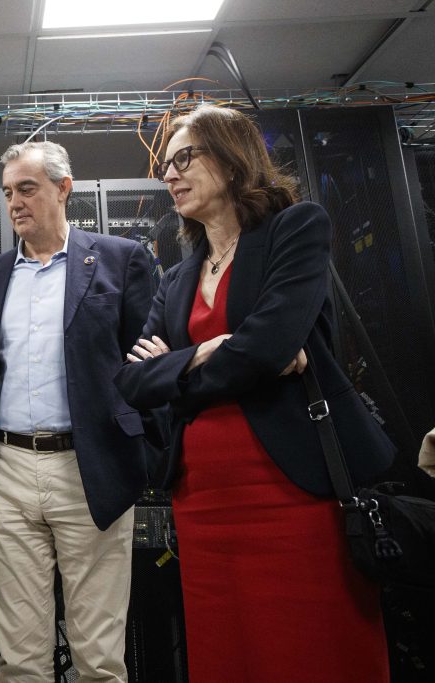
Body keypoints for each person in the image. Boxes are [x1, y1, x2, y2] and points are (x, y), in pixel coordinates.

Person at [114, 105, 395, 682]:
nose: (169, 175)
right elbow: (133, 381)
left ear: (231, 158)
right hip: (202, 503)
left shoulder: (296, 229)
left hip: (291, 491)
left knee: (309, 652)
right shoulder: (177, 278)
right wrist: (205, 353)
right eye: (165, 166)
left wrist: (177, 367)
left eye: (183, 158)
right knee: (226, 656)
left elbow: (266, 347)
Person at [0, 141, 157, 682]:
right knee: (20, 660)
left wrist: (145, 455)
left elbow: (150, 370)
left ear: (63, 188)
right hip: (7, 470)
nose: (15, 203)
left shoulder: (120, 260)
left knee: (99, 657)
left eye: (27, 189)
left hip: (90, 468)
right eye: (8, 192)